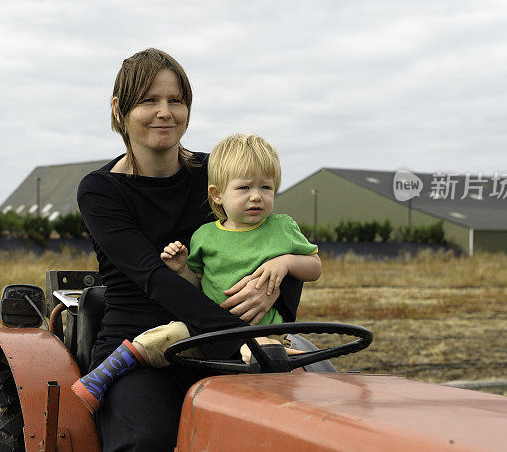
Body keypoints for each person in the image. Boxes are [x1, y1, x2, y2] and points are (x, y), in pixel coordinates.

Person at [75, 49, 306, 451]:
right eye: (149, 100)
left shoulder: (215, 176)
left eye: (175, 100)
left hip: (229, 332)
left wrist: (277, 271)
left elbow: (270, 236)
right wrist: (241, 338)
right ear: (119, 109)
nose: (165, 112)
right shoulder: (100, 190)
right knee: (149, 440)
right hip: (140, 345)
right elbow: (154, 277)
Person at [73, 134, 321, 412]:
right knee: (166, 336)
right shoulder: (205, 236)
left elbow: (314, 266)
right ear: (217, 194)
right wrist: (181, 269)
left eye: (266, 187)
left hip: (266, 332)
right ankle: (104, 375)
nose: (256, 196)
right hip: (206, 330)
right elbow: (197, 283)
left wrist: (285, 263)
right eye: (244, 188)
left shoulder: (282, 227)